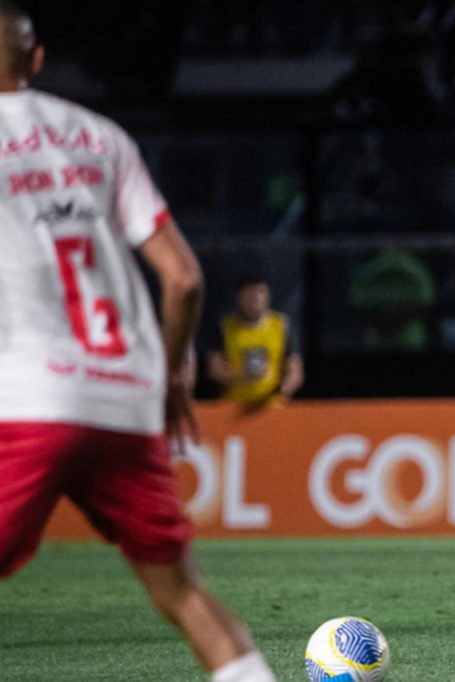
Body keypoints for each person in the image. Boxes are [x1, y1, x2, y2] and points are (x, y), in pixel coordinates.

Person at [0, 4, 276, 681]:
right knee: (183, 594)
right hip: (126, 398)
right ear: (36, 62)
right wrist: (174, 371)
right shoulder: (100, 138)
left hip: (29, 400)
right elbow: (182, 279)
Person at [206, 275, 304, 410]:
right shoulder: (224, 326)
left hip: (273, 406)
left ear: (268, 297)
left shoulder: (281, 325)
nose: (255, 298)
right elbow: (214, 369)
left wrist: (283, 390)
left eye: (260, 292)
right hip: (234, 406)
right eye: (250, 293)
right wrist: (242, 375)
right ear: (239, 297)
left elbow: (295, 369)